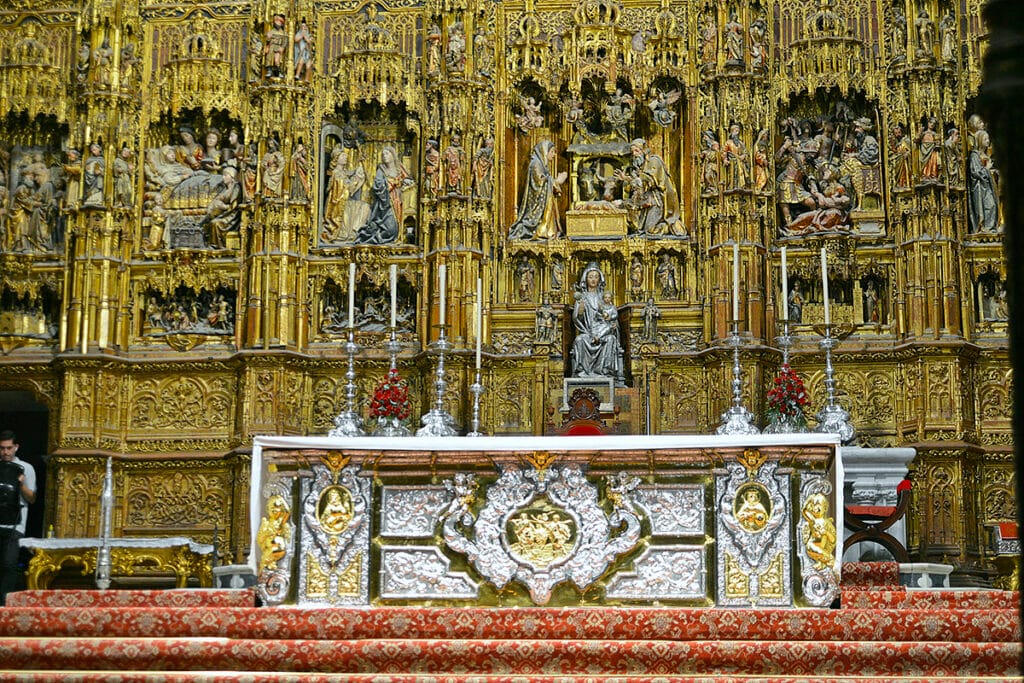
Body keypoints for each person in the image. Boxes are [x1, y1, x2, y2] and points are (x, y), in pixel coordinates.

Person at [570, 263, 624, 385]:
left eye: (596, 276)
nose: (593, 279)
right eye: (590, 277)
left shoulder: (604, 297)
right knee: (579, 340)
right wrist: (580, 310)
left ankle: (604, 372)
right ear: (585, 279)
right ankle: (583, 372)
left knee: (611, 339)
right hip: (588, 331)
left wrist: (612, 324)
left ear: (600, 279)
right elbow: (577, 318)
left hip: (603, 331)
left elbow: (612, 315)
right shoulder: (582, 297)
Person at [0, 430, 36, 606]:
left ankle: (4, 604)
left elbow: (32, 498)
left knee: (9, 564)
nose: (5, 452)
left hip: (15, 524)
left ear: (16, 447)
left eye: (9, 448)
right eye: (2, 448)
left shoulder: (26, 468)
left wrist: (21, 485)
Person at [355, 146, 414, 245]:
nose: (384, 156)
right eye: (383, 155)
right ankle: (376, 238)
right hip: (385, 203)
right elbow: (377, 186)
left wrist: (406, 181)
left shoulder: (399, 167)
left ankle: (400, 236)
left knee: (396, 226)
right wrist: (392, 183)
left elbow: (408, 178)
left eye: (387, 153)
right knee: (390, 229)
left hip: (399, 200)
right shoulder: (381, 170)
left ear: (393, 155)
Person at [508, 140, 566, 241]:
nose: (554, 155)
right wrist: (557, 181)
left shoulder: (543, 165)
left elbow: (546, 181)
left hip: (543, 202)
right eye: (552, 151)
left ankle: (547, 231)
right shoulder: (535, 163)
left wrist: (554, 183)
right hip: (536, 205)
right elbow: (540, 182)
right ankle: (538, 231)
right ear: (544, 151)